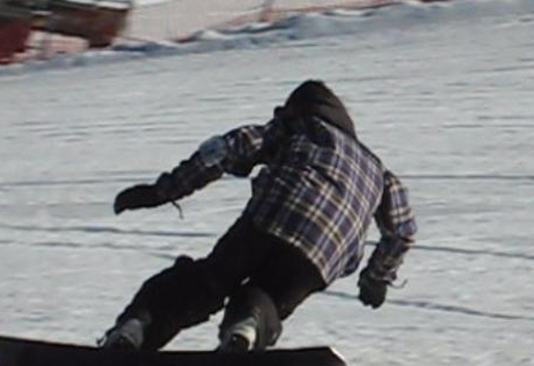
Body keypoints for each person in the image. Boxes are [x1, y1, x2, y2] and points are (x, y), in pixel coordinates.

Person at [101, 80, 417, 352]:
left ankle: (136, 327)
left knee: (209, 280)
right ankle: (247, 328)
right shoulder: (380, 174)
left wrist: (163, 190)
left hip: (275, 214)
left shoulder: (303, 126)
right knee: (269, 295)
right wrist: (376, 279)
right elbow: (402, 231)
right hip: (323, 255)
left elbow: (229, 147)